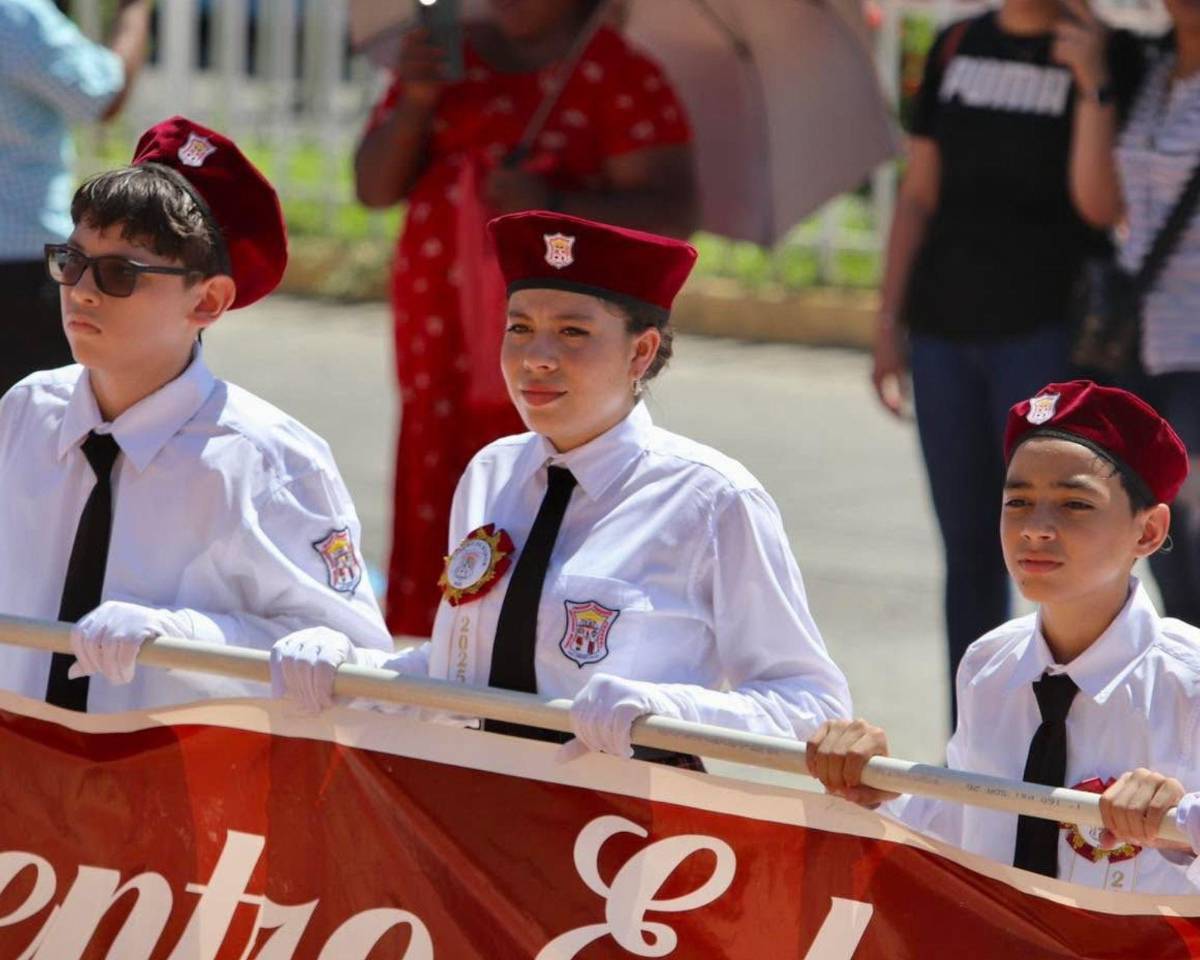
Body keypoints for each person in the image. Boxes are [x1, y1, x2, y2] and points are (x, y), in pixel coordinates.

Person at [270, 211, 851, 762]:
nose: (536, 358)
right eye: (518, 328)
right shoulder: (491, 473)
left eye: (573, 332)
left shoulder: (711, 501)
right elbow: (465, 675)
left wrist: (667, 712)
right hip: (466, 813)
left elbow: (809, 704)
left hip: (619, 839)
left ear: (641, 352)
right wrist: (350, 670)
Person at [0, 116, 394, 713]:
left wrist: (191, 634)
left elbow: (360, 665)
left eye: (119, 274)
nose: (80, 290)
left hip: (173, 791)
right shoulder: (28, 411)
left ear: (207, 300)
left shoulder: (269, 461)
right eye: (71, 261)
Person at [358, 0, 699, 638]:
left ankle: (526, 656)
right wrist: (416, 102)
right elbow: (373, 187)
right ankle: (426, 671)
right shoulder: (448, 58)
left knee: (542, 489)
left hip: (558, 346)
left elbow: (673, 209)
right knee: (437, 485)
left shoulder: (618, 73)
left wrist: (554, 202)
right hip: (441, 333)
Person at [806, 380, 1200, 894]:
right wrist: (876, 783)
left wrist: (1181, 826)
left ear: (1147, 532)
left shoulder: (1187, 682)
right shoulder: (989, 665)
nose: (1035, 528)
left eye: (1074, 505)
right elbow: (962, 826)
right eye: (1017, 502)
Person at [872, 0, 1145, 720]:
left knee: (1053, 548)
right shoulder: (958, 40)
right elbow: (919, 193)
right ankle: (976, 736)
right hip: (943, 332)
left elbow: (1101, 207)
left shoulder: (1110, 52)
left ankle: (1067, 731)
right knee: (969, 546)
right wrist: (886, 323)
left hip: (1047, 335)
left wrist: (1092, 81)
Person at [1067, 0, 1200, 626]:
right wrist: (1092, 77)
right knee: (1167, 553)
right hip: (1142, 346)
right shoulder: (1149, 70)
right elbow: (1101, 205)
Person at [0, 0, 153, 397]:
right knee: (44, 430)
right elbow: (104, 92)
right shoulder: (16, 15)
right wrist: (134, 12)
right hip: (19, 262)